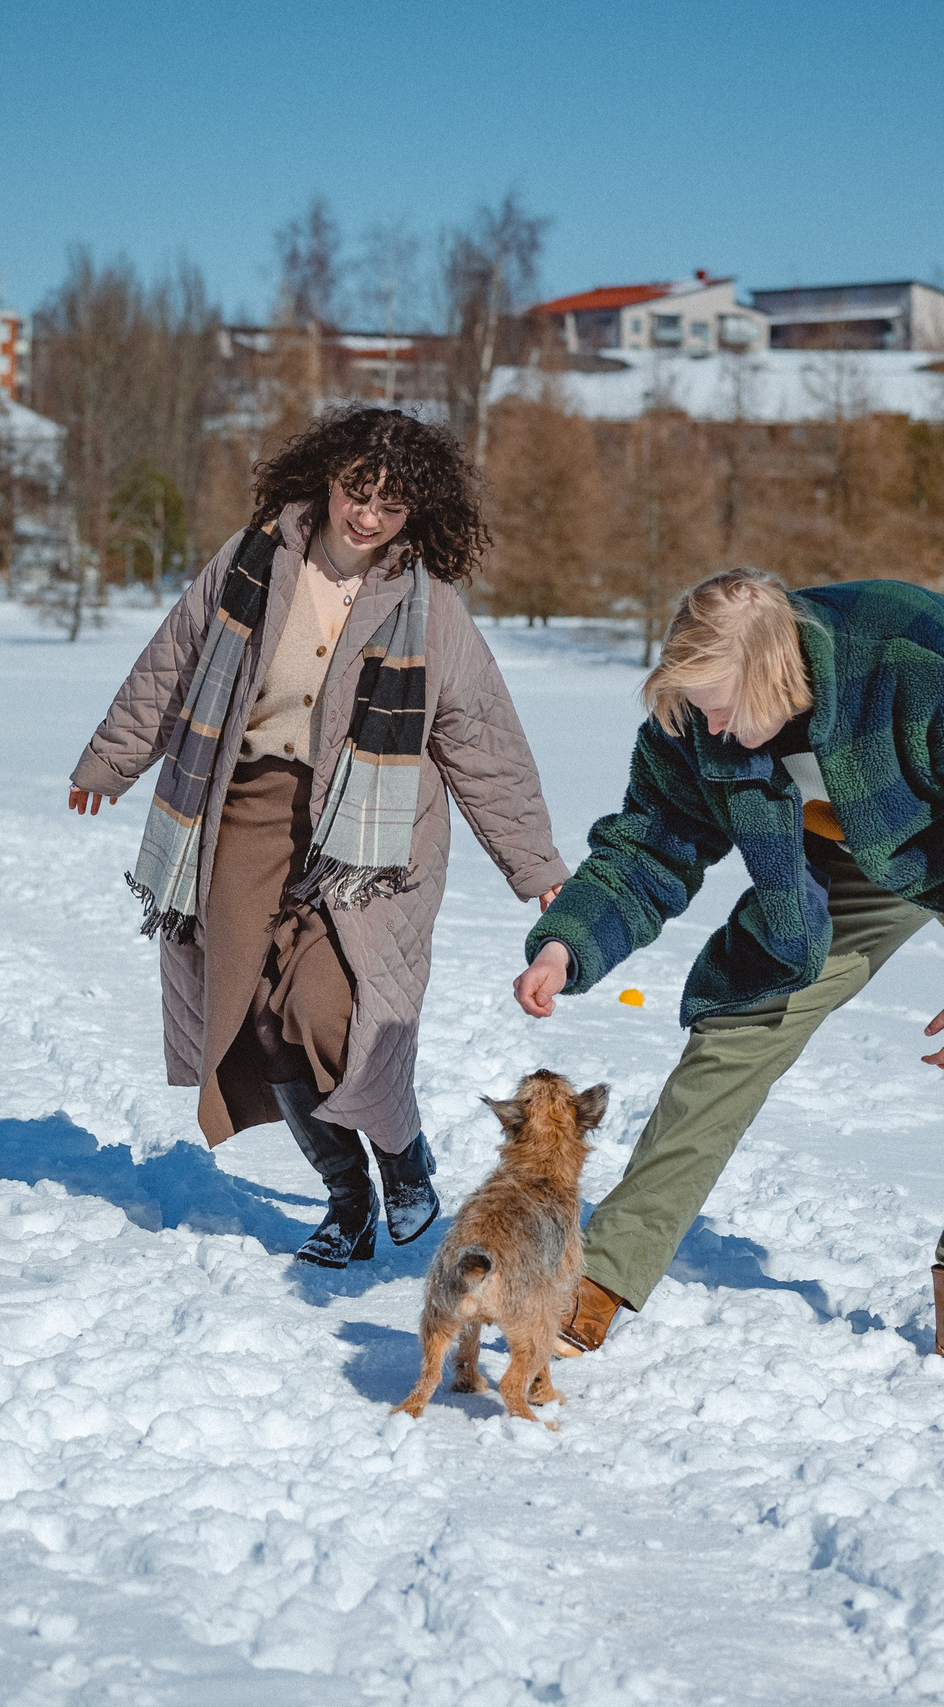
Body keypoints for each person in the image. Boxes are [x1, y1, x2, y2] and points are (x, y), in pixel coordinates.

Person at [514, 568, 944, 1362]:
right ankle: (599, 1279)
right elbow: (651, 843)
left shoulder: (914, 661)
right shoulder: (697, 717)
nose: (709, 727)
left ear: (772, 672)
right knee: (741, 1027)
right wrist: (567, 942)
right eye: (697, 708)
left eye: (720, 706)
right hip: (844, 850)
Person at [73, 407, 568, 1268]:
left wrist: (535, 868)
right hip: (244, 812)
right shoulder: (255, 559)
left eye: (391, 502)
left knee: (331, 1008)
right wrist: (111, 760)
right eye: (356, 491)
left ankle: (403, 1157)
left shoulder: (427, 605)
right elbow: (175, 660)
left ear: (420, 511)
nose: (367, 515)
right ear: (327, 479)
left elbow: (482, 742)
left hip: (369, 837)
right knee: (257, 1014)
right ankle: (347, 1200)